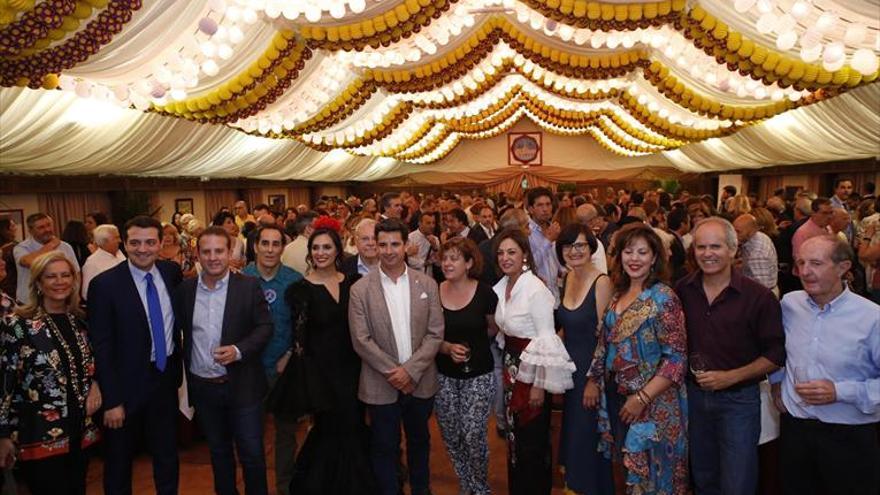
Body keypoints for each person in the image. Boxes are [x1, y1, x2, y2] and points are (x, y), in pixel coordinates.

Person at [675, 217, 785, 495]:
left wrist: (731, 377)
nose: (708, 253)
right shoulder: (681, 291)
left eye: (716, 246)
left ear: (733, 250)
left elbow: (776, 353)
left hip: (739, 401)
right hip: (694, 398)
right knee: (703, 477)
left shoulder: (758, 297)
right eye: (701, 247)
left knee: (738, 482)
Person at [769, 235, 880, 495]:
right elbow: (775, 348)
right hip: (796, 431)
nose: (805, 272)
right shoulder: (789, 304)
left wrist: (839, 392)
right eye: (801, 263)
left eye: (816, 263)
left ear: (843, 268)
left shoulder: (871, 318)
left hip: (849, 436)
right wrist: (776, 384)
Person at [583, 223, 688, 495]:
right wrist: (594, 380)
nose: (634, 259)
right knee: (629, 475)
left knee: (655, 477)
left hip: (655, 405)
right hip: (619, 398)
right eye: (628, 252)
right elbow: (604, 342)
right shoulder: (618, 294)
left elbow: (676, 358)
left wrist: (641, 398)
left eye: (642, 252)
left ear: (654, 257)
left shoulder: (664, 298)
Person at [88, 216, 183, 495]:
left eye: (150, 242)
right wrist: (112, 399)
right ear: (125, 244)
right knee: (119, 461)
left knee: (167, 455)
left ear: (161, 244)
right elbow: (102, 346)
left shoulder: (171, 273)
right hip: (124, 386)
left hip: (165, 380)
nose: (143, 249)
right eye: (135, 243)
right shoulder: (104, 285)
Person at [278, 223, 376, 494]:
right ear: (310, 252)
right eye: (316, 248)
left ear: (338, 251)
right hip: (322, 374)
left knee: (355, 425)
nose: (321, 253)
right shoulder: (300, 290)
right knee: (329, 429)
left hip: (355, 368)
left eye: (327, 247)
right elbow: (300, 339)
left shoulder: (354, 284)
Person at [175, 226, 273, 495]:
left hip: (242, 385)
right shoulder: (185, 290)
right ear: (197, 254)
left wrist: (238, 350)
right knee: (218, 453)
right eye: (206, 251)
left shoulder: (248, 286)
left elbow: (265, 328)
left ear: (230, 252)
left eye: (219, 251)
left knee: (252, 454)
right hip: (204, 387)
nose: (213, 257)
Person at [348, 219, 444, 495]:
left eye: (395, 244)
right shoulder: (360, 290)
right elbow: (361, 340)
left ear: (406, 246)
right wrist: (396, 372)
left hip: (420, 383)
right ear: (375, 247)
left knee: (420, 443)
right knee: (384, 447)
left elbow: (435, 333)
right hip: (380, 384)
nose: (389, 251)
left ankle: (421, 491)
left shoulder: (426, 283)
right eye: (383, 245)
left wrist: (410, 371)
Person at [0, 252, 102, 494]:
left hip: (80, 432)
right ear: (38, 283)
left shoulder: (81, 321)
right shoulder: (18, 325)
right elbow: (4, 382)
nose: (60, 282)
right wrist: (2, 435)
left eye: (65, 275)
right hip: (38, 436)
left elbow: (94, 363)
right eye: (51, 277)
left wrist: (96, 384)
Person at [492, 228, 575, 495]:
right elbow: (506, 331)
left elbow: (546, 339)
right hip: (512, 368)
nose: (505, 258)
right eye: (501, 253)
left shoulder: (535, 288)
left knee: (533, 439)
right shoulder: (504, 285)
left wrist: (539, 384)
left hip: (534, 370)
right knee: (515, 438)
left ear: (524, 255)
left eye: (512, 252)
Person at [241, 224, 303, 495]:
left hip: (284, 369)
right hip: (249, 372)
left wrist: (289, 355)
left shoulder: (294, 280)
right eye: (264, 243)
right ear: (255, 246)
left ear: (282, 247)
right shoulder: (240, 279)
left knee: (286, 435)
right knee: (250, 437)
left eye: (275, 244)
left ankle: (285, 488)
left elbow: (303, 325)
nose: (269, 249)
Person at [554, 224, 615, 495]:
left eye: (580, 245)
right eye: (568, 246)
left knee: (587, 441)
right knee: (575, 439)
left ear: (592, 248)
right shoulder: (567, 278)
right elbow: (566, 327)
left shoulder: (602, 282)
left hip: (590, 376)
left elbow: (607, 338)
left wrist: (594, 380)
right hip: (570, 374)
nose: (574, 251)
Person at [434, 238, 498, 495]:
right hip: (443, 375)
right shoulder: (434, 290)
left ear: (469, 263)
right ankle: (466, 483)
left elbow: (493, 327)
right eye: (445, 258)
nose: (447, 263)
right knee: (451, 435)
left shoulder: (485, 293)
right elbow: (427, 332)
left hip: (479, 374)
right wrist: (445, 347)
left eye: (454, 258)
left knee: (473, 435)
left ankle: (480, 488)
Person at [13, 213, 79, 304]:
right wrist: (51, 245)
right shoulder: (21, 248)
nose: (47, 229)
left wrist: (76, 295)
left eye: (49, 225)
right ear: (30, 231)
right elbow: (30, 262)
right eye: (41, 227)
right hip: (29, 303)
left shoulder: (65, 247)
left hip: (61, 302)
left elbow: (76, 273)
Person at [525, 187, 562, 304]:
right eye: (540, 205)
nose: (545, 209)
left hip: (557, 295)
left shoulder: (555, 229)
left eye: (548, 204)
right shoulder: (526, 232)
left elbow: (559, 260)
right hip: (536, 298)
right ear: (531, 209)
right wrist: (548, 240)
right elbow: (529, 265)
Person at [733, 214, 779, 293]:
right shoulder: (759, 236)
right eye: (733, 230)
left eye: (738, 231)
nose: (734, 235)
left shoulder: (757, 253)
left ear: (751, 232)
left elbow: (762, 289)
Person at [80, 224, 126, 300]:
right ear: (105, 241)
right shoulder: (92, 263)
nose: (120, 241)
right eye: (116, 238)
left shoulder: (120, 254)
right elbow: (87, 293)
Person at [0, 218, 19, 299]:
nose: (16, 228)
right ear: (6, 230)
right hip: (12, 287)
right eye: (13, 225)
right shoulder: (13, 247)